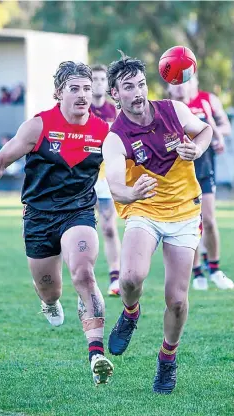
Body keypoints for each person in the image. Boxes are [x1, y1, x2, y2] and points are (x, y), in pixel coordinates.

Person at [0, 61, 114, 386]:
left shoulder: (103, 131)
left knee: (84, 272)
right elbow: (0, 158)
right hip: (38, 218)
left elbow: (126, 165)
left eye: (87, 88)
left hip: (78, 213)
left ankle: (95, 354)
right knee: (50, 289)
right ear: (58, 92)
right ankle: (49, 302)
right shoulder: (38, 126)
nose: (82, 95)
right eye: (74, 89)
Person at [102, 53, 212, 394]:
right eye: (127, 87)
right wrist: (131, 193)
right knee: (131, 278)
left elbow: (204, 130)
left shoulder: (173, 111)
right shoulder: (116, 137)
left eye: (140, 84)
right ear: (115, 95)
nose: (136, 92)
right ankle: (131, 313)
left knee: (177, 300)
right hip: (144, 210)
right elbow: (116, 186)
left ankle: (167, 358)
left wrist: (197, 148)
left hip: (184, 213)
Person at [167, 79, 234, 290]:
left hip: (204, 170)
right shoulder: (165, 108)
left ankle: (214, 268)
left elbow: (224, 127)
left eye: (184, 80)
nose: (179, 86)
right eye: (173, 82)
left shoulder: (207, 101)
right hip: (179, 175)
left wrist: (217, 138)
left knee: (210, 220)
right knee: (191, 224)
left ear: (193, 82)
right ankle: (197, 272)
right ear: (167, 87)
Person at [90, 64, 121, 296]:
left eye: (102, 79)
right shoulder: (82, 109)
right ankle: (85, 275)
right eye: (95, 79)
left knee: (109, 227)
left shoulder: (115, 112)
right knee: (82, 226)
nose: (99, 83)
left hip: (106, 175)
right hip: (84, 175)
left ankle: (115, 278)